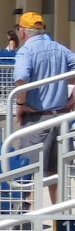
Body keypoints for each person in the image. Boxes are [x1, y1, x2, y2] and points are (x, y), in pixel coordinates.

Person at [11, 11, 75, 207]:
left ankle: (27, 220)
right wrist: (72, 101)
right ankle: (59, 216)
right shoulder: (60, 49)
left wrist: (20, 104)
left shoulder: (26, 51)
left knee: (28, 170)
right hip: (61, 118)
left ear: (22, 32)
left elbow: (21, 78)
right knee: (57, 170)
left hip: (37, 120)